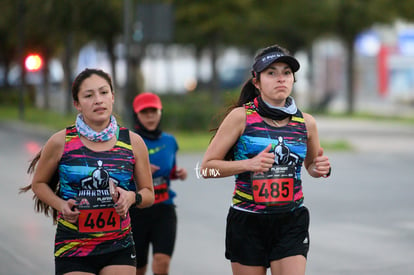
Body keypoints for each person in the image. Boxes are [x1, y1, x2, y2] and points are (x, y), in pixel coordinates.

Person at [200, 44, 331, 275]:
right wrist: (247, 165)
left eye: (286, 73)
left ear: (293, 80)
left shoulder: (306, 123)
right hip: (247, 221)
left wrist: (320, 168)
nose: (280, 78)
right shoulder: (240, 118)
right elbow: (205, 170)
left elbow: (311, 165)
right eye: (271, 73)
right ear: (256, 82)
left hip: (291, 220)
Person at [20, 68, 155, 275]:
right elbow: (39, 184)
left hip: (119, 245)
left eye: (103, 93)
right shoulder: (60, 141)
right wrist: (61, 205)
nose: (98, 100)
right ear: (77, 104)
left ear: (112, 97)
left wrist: (131, 197)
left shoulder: (133, 142)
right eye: (89, 95)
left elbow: (148, 194)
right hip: (73, 247)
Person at [129, 92, 188, 275]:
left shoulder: (170, 141)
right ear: (136, 115)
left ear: (160, 113)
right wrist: (139, 171)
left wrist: (178, 173)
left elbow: (170, 171)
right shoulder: (128, 141)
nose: (150, 116)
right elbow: (118, 176)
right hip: (137, 211)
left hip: (164, 209)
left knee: (162, 263)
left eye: (153, 111)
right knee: (138, 268)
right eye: (144, 112)